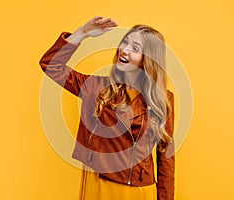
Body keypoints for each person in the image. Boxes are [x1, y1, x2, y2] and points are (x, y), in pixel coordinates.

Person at [39, 16, 175, 200]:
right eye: (124, 42)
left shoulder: (163, 99)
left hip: (139, 190)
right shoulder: (96, 88)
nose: (124, 50)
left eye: (135, 48)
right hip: (100, 184)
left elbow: (166, 156)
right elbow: (51, 65)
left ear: (148, 60)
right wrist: (82, 33)